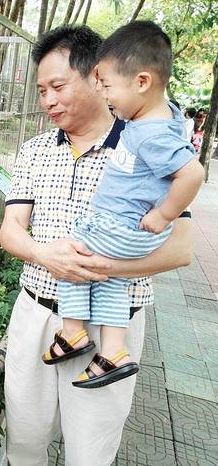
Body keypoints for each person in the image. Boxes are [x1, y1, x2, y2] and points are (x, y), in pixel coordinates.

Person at [0, 25, 193, 466]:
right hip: (37, 314)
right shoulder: (34, 150)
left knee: (90, 454)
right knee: (24, 441)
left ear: (96, 77)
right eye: (41, 90)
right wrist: (44, 255)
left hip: (111, 327)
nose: (48, 100)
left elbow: (181, 249)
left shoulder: (146, 143)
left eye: (58, 86)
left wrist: (99, 267)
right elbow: (11, 230)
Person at [42, 21, 204, 389]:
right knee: (110, 280)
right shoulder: (161, 117)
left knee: (73, 256)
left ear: (142, 82)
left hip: (120, 225)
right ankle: (114, 351)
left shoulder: (151, 133)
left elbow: (193, 174)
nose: (104, 93)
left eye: (108, 85)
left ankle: (73, 332)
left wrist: (163, 215)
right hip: (127, 230)